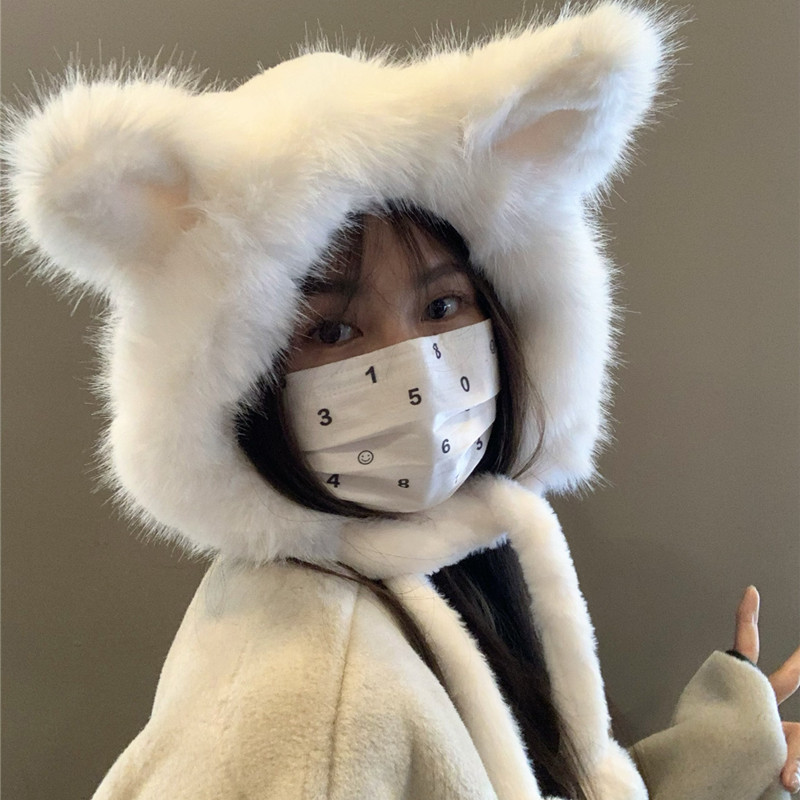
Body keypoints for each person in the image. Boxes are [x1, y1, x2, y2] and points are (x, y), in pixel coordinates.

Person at [5, 2, 798, 798]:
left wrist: (730, 759)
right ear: (243, 391)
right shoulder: (313, 695)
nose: (413, 369)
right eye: (333, 330)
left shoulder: (435, 575)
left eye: (443, 306)